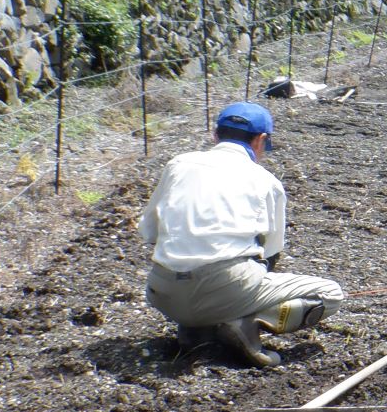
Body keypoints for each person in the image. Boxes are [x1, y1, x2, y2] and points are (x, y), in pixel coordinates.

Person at [139, 102, 343, 368]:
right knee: (330, 294)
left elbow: (149, 232)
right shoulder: (265, 181)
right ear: (261, 140)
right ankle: (245, 321)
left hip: (162, 293)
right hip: (225, 289)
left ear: (215, 135)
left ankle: (198, 328)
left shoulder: (178, 165)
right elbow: (271, 253)